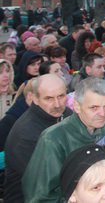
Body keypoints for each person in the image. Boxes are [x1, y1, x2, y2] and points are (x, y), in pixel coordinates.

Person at [22, 77, 105, 202]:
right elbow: (39, 196)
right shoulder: (53, 139)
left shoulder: (104, 131)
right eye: (94, 108)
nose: (102, 114)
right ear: (77, 106)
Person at [3, 74, 72, 202]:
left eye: (61, 96)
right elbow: (45, 182)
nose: (57, 104)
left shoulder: (66, 114)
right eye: (49, 98)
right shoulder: (26, 134)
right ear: (34, 99)